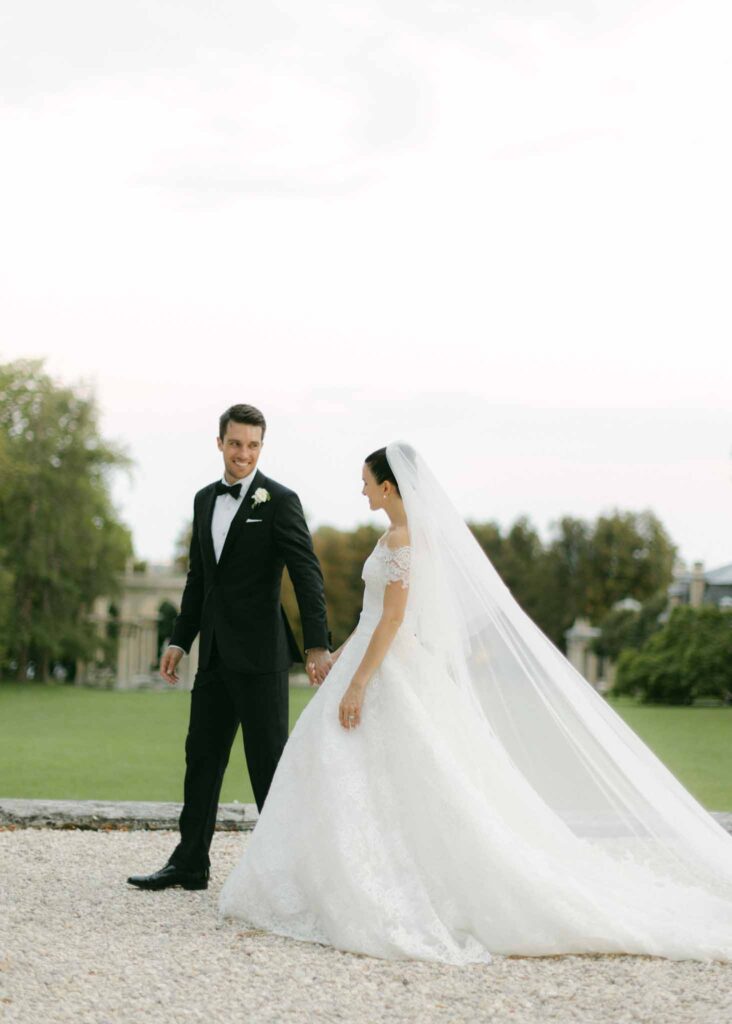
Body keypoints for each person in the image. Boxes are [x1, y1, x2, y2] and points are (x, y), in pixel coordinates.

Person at [218, 441, 732, 965]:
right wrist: (340, 660)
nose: (362, 488)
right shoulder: (393, 536)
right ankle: (326, 878)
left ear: (388, 486)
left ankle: (388, 883)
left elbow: (394, 622)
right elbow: (372, 617)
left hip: (387, 668)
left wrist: (357, 684)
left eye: (367, 480)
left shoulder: (403, 539)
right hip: (370, 657)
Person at [128, 404, 332, 892]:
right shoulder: (203, 501)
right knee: (201, 758)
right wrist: (180, 639)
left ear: (262, 447)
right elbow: (200, 579)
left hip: (261, 657)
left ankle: (288, 874)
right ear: (219, 442)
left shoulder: (280, 500)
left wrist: (317, 644)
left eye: (253, 445)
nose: (244, 453)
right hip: (215, 656)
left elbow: (307, 576)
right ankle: (190, 863)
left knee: (269, 768)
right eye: (236, 443)